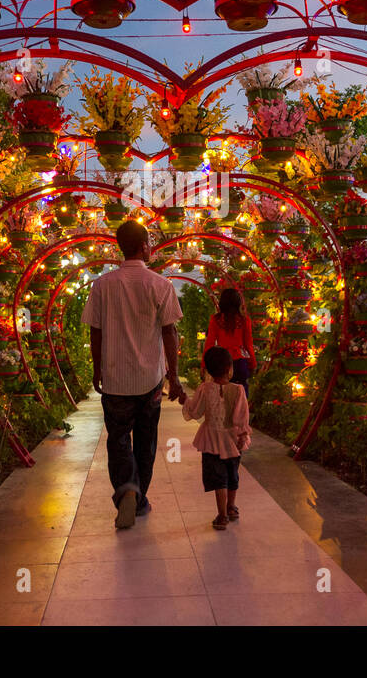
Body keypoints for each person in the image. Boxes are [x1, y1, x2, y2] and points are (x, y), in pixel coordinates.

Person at [81, 220, 186, 530]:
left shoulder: (102, 285)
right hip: (150, 381)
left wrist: (97, 368)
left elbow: (95, 332)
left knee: (118, 440)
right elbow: (170, 333)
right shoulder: (160, 285)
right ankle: (138, 499)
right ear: (144, 247)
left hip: (115, 380)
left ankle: (126, 489)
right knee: (145, 441)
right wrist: (174, 376)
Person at [181, 346, 251, 530]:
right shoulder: (238, 390)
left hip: (210, 440)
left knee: (218, 477)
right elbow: (241, 417)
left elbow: (195, 412)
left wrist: (185, 401)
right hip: (233, 440)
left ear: (208, 370)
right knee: (232, 474)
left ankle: (221, 515)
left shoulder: (204, 388)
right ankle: (231, 507)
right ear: (230, 368)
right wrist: (243, 434)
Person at [203, 287, 256, 400]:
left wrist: (204, 364)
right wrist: (253, 363)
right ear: (238, 302)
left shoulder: (216, 320)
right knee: (241, 396)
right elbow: (248, 345)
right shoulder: (244, 321)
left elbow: (209, 344)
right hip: (240, 362)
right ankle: (241, 415)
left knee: (223, 397)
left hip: (221, 363)